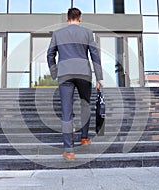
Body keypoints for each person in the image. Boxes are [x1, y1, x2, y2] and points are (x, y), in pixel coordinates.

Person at [47, 8, 103, 161]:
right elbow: (95, 55)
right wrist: (99, 77)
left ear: (67, 19)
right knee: (85, 105)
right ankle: (84, 137)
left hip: (65, 74)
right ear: (80, 19)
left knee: (67, 111)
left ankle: (69, 150)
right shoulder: (87, 33)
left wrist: (54, 72)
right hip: (84, 73)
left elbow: (50, 54)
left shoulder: (58, 34)